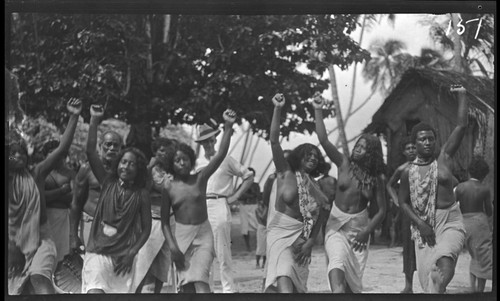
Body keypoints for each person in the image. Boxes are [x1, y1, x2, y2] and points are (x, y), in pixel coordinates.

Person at [398, 85, 468, 293]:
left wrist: (463, 96)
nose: (428, 142)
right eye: (422, 139)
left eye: (431, 138)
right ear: (415, 143)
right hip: (424, 225)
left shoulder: (444, 159)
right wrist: (421, 224)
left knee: (447, 257)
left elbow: (461, 127)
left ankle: (439, 285)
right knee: (429, 279)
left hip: (451, 220)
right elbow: (403, 202)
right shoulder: (408, 172)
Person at [313, 94, 386, 293]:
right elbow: (323, 139)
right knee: (336, 263)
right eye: (358, 145)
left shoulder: (377, 178)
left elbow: (381, 212)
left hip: (359, 230)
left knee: (352, 284)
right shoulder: (343, 164)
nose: (358, 149)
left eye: (363, 147)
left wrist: (366, 231)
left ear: (371, 153)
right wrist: (318, 110)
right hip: (335, 226)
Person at [8, 98, 82, 295]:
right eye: (12, 154)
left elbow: (62, 149)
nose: (18, 157)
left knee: (39, 278)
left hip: (42, 240)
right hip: (15, 245)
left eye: (21, 153)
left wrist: (74, 116)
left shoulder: (37, 173)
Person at [161, 109, 237, 293]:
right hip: (181, 239)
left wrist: (227, 126)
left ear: (191, 160)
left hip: (203, 236)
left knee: (201, 281)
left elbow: (220, 156)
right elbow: (164, 222)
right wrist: (172, 247)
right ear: (172, 164)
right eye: (177, 160)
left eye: (185, 159)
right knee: (186, 286)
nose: (182, 163)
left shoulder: (200, 178)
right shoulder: (168, 187)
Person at [81, 104, 152, 294]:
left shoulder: (141, 194)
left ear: (138, 169)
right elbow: (90, 151)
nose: (126, 167)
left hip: (123, 258)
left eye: (131, 164)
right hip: (97, 253)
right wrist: (94, 120)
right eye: (123, 162)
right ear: (117, 164)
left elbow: (146, 229)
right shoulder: (107, 182)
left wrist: (132, 252)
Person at [264, 93, 330, 293]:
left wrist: (311, 242)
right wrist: (277, 108)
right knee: (283, 275)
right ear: (298, 156)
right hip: (280, 235)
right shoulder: (285, 172)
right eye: (308, 154)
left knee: (294, 286)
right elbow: (274, 141)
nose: (313, 158)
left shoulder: (316, 187)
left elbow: (324, 211)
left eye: (316, 156)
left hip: (302, 239)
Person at [194, 121, 255, 293]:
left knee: (222, 249)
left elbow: (248, 176)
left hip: (219, 203)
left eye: (211, 140)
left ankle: (228, 289)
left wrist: (235, 196)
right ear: (200, 143)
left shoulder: (225, 159)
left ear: (215, 139)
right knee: (205, 249)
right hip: (201, 206)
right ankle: (208, 289)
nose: (208, 144)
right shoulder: (197, 162)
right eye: (204, 141)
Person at [134, 137, 178, 293]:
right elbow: (145, 189)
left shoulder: (174, 170)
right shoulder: (150, 169)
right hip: (152, 218)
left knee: (163, 262)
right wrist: (149, 167)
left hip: (169, 219)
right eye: (161, 150)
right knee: (144, 261)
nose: (164, 153)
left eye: (167, 150)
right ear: (155, 151)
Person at [71, 129, 123, 252]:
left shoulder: (125, 172)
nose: (112, 148)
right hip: (90, 223)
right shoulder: (87, 169)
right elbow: (76, 203)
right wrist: (73, 235)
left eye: (116, 145)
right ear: (100, 147)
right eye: (108, 144)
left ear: (121, 149)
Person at [456, 156, 492, 292]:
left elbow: (452, 206)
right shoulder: (484, 189)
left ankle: (472, 288)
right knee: (481, 258)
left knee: (472, 256)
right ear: (484, 175)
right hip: (479, 223)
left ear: (470, 172)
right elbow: (489, 211)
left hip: (463, 222)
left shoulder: (460, 187)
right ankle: (480, 290)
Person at [386, 137, 417, 293]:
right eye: (408, 148)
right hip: (407, 210)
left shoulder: (428, 166)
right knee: (408, 247)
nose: (411, 150)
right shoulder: (402, 169)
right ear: (404, 152)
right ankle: (409, 285)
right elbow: (389, 185)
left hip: (425, 209)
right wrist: (396, 200)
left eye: (413, 147)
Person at [43, 140, 76, 265]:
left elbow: (74, 198)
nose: (54, 155)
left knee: (61, 256)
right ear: (45, 155)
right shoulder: (41, 173)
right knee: (45, 256)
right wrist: (61, 191)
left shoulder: (70, 174)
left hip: (63, 219)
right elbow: (40, 197)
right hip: (45, 218)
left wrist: (50, 196)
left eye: (58, 152)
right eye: (50, 152)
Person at [238, 167, 261, 252]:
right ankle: (248, 246)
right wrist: (249, 195)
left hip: (253, 206)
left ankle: (259, 245)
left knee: (257, 225)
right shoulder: (241, 185)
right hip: (244, 206)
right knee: (245, 227)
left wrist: (246, 195)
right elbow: (239, 196)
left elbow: (258, 195)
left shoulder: (255, 185)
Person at [317, 163, 337, 242]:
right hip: (324, 203)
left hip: (333, 202)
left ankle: (332, 238)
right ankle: (325, 238)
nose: (325, 171)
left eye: (326, 169)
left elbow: (337, 190)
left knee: (332, 220)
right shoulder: (320, 181)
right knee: (324, 221)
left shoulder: (333, 179)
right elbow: (319, 192)